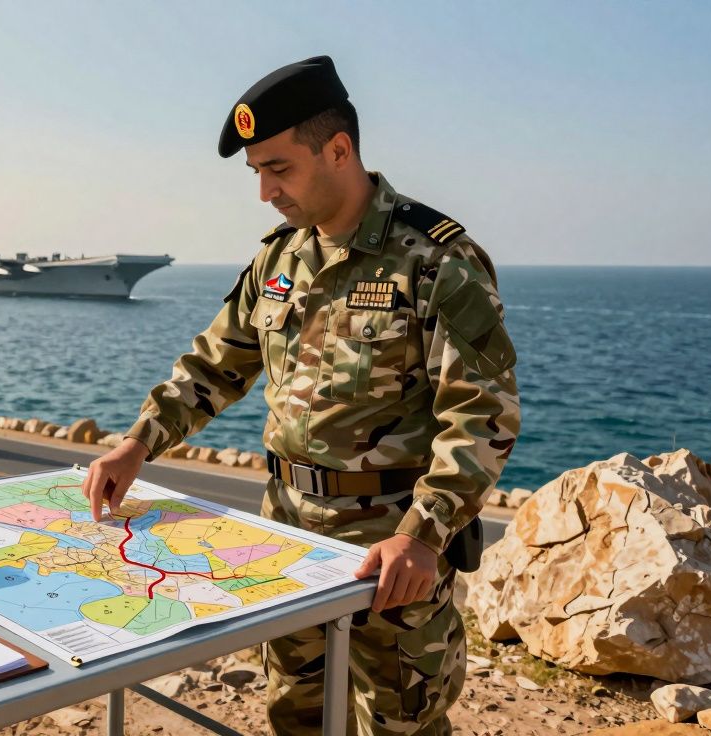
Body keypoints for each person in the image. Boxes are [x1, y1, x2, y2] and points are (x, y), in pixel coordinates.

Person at [81, 55, 521, 735]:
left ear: (338, 150)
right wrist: (137, 444)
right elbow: (214, 365)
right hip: (288, 540)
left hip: (391, 552)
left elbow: (482, 416)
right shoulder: (279, 258)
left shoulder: (436, 259)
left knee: (400, 725)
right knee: (296, 717)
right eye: (256, 172)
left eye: (279, 169)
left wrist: (423, 535)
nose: (265, 192)